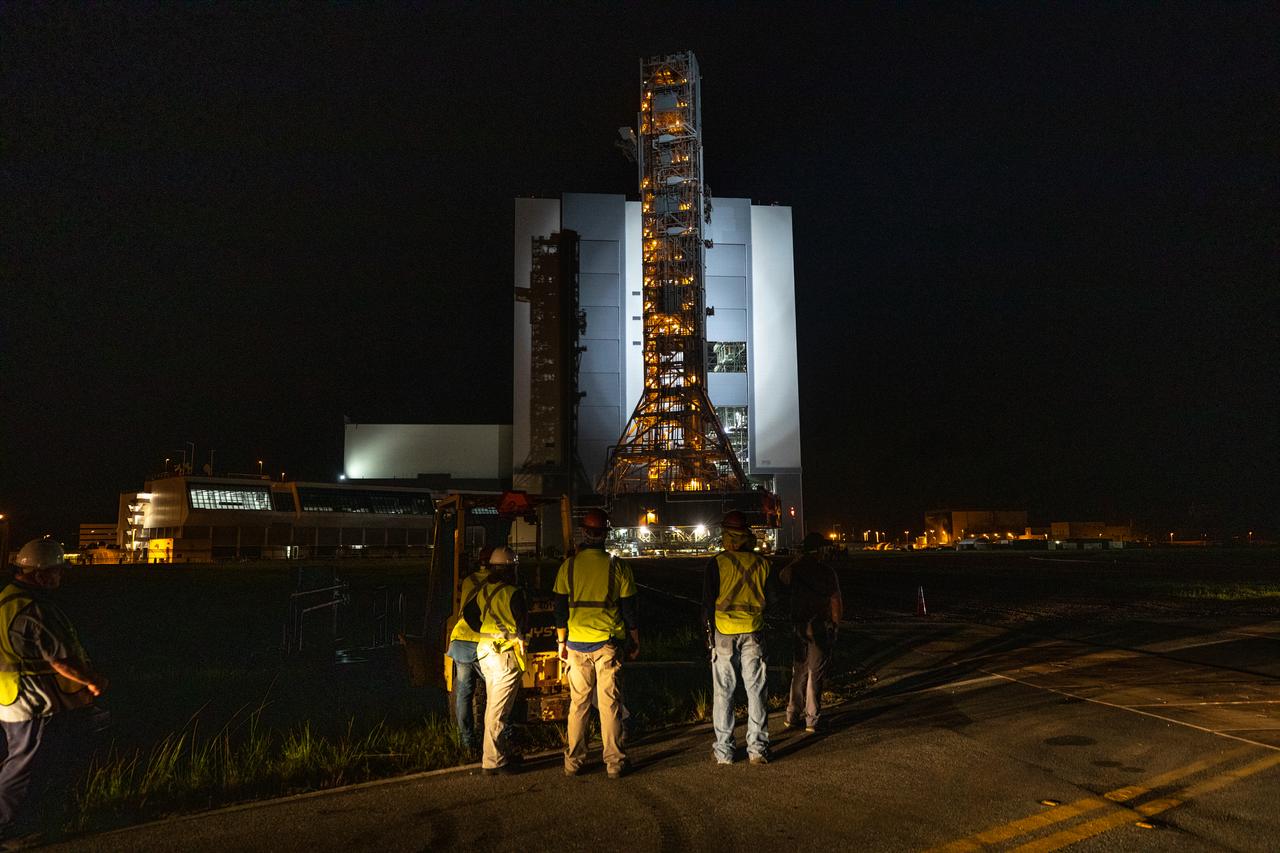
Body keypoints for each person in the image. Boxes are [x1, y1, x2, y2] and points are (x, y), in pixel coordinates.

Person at [0, 537, 109, 841]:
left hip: (10, 697)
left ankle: (25, 819)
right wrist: (92, 681)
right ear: (39, 575)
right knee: (23, 765)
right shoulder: (35, 609)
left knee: (21, 761)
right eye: (56, 571)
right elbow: (61, 660)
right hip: (30, 701)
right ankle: (7, 826)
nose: (60, 577)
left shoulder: (6, 599)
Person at [553, 508, 639, 779]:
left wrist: (561, 642)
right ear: (604, 535)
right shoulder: (618, 566)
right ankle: (614, 763)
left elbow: (559, 610)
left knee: (578, 705)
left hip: (577, 644)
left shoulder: (568, 566)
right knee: (609, 704)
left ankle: (573, 762)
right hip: (607, 644)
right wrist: (634, 640)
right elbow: (629, 611)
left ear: (584, 533)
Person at [703, 510, 776, 766]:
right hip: (753, 632)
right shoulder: (763, 564)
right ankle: (757, 750)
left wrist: (708, 635)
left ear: (726, 535)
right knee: (756, 691)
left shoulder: (717, 563)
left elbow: (707, 603)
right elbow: (772, 599)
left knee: (724, 693)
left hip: (724, 633)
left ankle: (724, 752)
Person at [461, 547, 527, 776]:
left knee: (493, 706)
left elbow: (469, 613)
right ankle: (493, 761)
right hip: (505, 656)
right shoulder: (512, 592)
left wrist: (484, 630)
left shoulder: (484, 591)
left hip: (486, 652)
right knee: (498, 711)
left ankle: (497, 755)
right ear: (510, 569)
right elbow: (522, 624)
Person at [779, 532, 843, 733]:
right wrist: (836, 624)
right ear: (820, 550)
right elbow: (835, 601)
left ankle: (792, 714)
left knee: (799, 671)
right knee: (815, 672)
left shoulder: (795, 569)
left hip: (799, 626)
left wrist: (797, 560)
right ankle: (812, 719)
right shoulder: (827, 572)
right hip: (819, 627)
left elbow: (782, 577)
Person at [444, 546, 493, 750]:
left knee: (464, 693)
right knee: (496, 689)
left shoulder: (467, 581)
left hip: (460, 638)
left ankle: (466, 741)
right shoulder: (497, 584)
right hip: (482, 642)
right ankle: (497, 739)